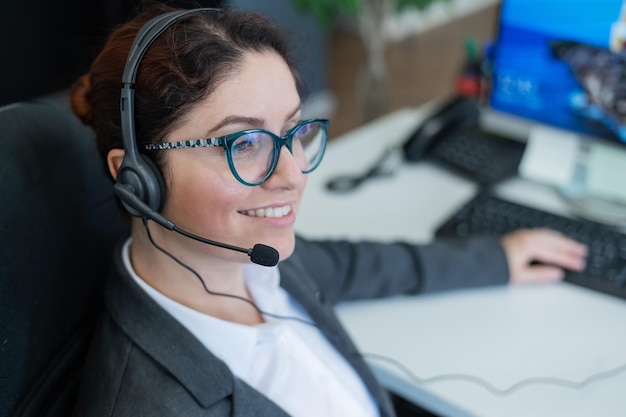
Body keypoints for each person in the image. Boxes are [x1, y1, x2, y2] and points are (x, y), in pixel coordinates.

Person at [69, 4, 588, 417]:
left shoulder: (250, 266)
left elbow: (353, 264)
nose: (293, 174)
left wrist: (495, 258)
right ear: (136, 177)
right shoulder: (152, 402)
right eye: (243, 142)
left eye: (294, 129)